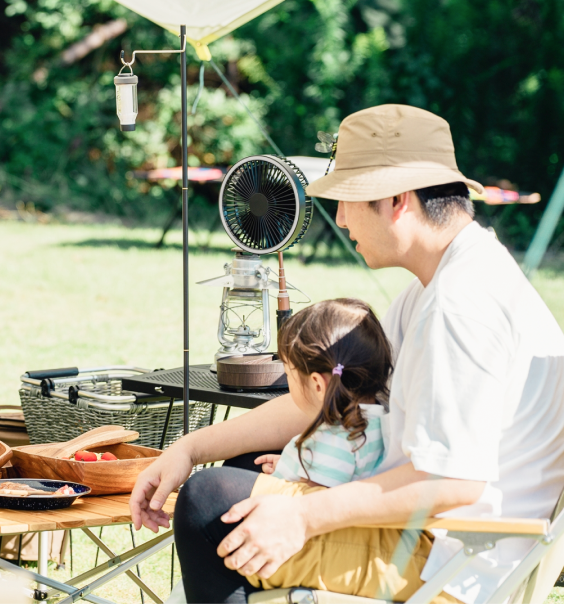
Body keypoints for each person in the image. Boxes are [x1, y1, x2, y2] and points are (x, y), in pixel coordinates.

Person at [131, 104, 564, 604]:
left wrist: (303, 514)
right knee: (241, 467)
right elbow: (329, 399)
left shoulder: (460, 306)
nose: (338, 217)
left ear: (397, 199)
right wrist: (188, 449)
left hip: (451, 567)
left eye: (346, 198)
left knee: (210, 503)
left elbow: (453, 483)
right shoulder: (443, 282)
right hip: (433, 540)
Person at [255, 298, 391, 490]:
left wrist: (301, 467)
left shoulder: (330, 439)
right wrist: (295, 464)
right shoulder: (378, 424)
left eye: (288, 374)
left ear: (318, 385)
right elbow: (340, 469)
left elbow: (313, 499)